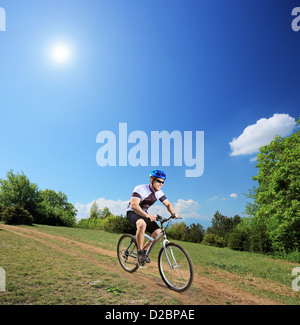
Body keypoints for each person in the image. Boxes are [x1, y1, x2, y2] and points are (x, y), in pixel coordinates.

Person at [126, 169, 179, 264]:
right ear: (152, 180)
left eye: (163, 182)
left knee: (159, 233)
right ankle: (140, 252)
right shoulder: (140, 189)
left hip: (144, 214)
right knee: (142, 224)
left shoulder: (159, 193)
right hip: (132, 212)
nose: (161, 184)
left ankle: (144, 251)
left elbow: (168, 204)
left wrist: (173, 213)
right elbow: (134, 206)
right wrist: (147, 215)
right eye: (159, 181)